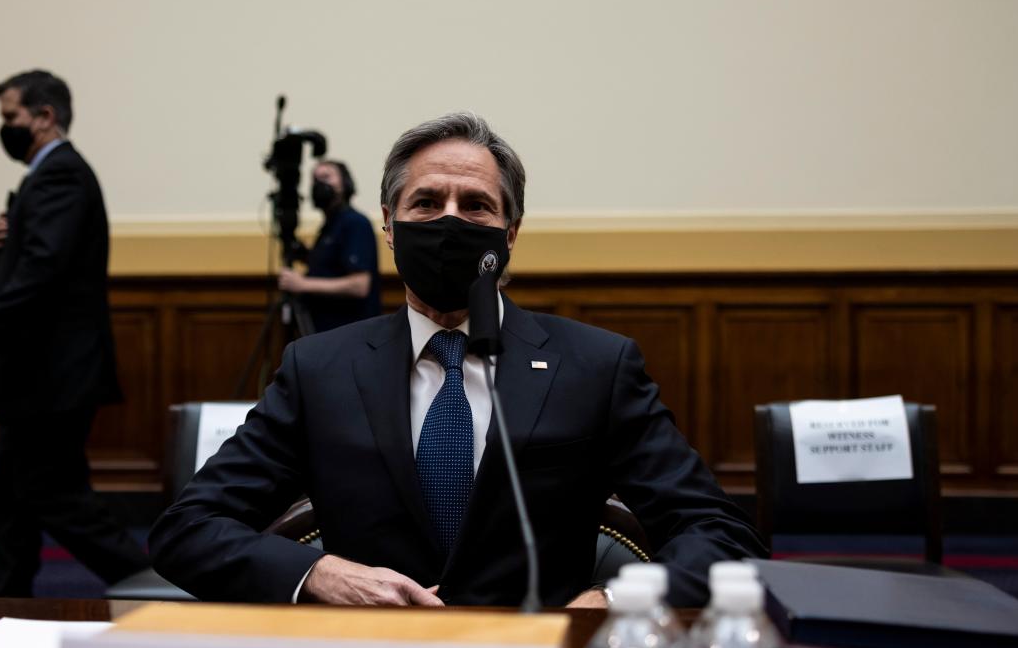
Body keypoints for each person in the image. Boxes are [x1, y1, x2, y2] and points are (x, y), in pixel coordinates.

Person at [150, 112, 765, 608]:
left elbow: (720, 533)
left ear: (510, 233)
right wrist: (319, 575)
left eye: (475, 205)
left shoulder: (595, 365)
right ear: (389, 224)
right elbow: (188, 528)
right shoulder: (320, 369)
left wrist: (615, 600)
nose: (449, 221)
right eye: (426, 203)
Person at [0, 69, 145, 596]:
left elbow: (42, 274)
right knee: (11, 501)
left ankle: (156, 587)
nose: (5, 128)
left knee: (55, 497)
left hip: (52, 376)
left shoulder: (61, 175)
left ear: (44, 117)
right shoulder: (46, 176)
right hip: (41, 377)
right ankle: (5, 603)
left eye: (11, 117)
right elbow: (30, 264)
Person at [276, 159, 382, 332]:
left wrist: (303, 284)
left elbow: (360, 285)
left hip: (351, 334)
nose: (319, 184)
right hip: (326, 332)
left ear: (345, 184)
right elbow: (332, 267)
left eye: (326, 177)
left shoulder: (355, 223)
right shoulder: (329, 226)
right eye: (315, 179)